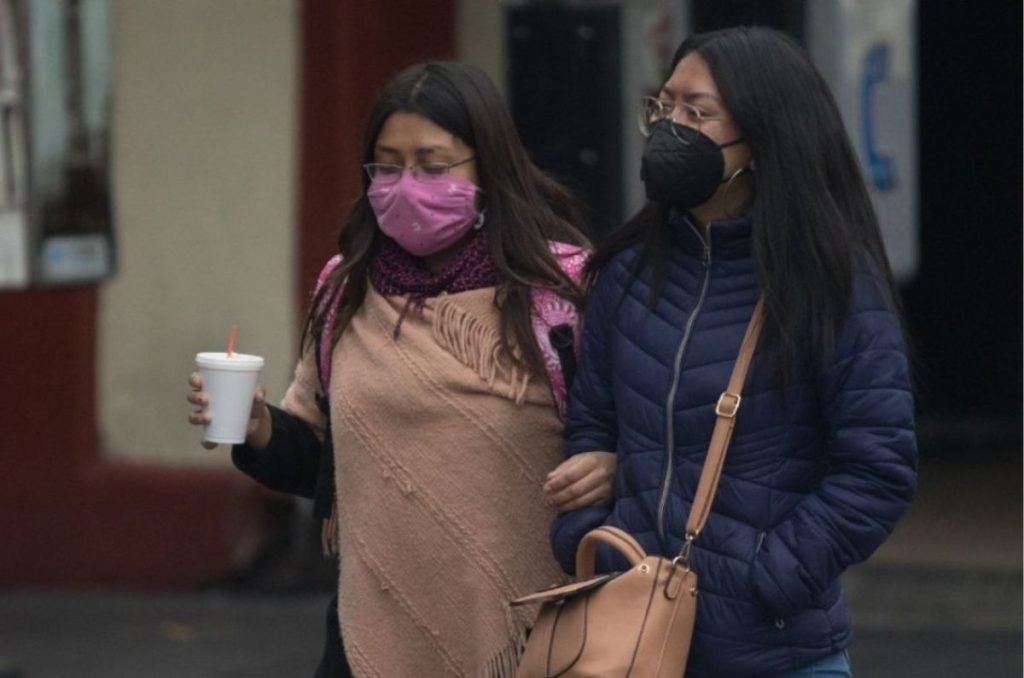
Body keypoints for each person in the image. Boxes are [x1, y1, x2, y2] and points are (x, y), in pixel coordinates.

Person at [187, 61, 615, 677]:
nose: (407, 185)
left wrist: (610, 464)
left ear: (488, 168)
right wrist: (256, 427)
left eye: (434, 166)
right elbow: (325, 466)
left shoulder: (562, 289)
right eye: (387, 167)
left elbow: (639, 432)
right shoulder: (347, 288)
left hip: (536, 637)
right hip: (371, 634)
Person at [551, 26, 917, 677]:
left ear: (762, 136)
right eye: (663, 107)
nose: (671, 127)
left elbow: (876, 468)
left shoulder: (829, 283)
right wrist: (584, 537)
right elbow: (591, 423)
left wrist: (764, 580)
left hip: (774, 653)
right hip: (629, 640)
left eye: (698, 112)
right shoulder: (628, 274)